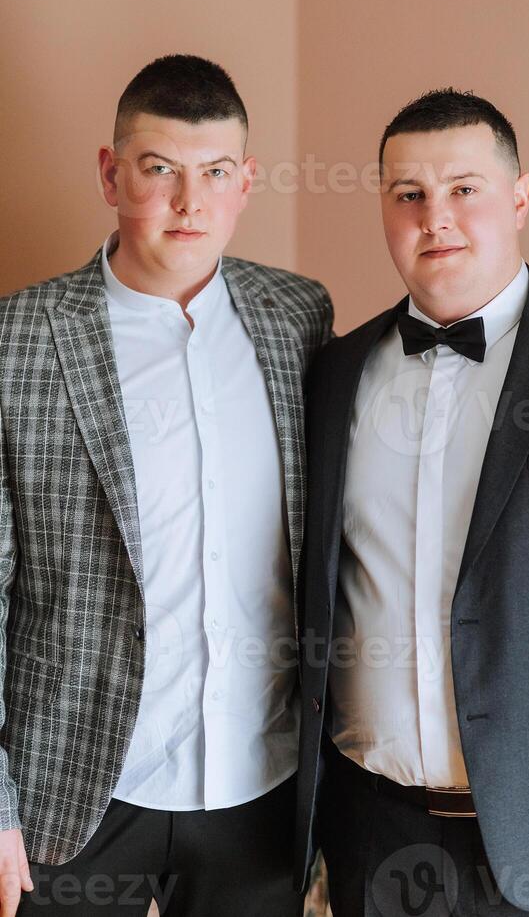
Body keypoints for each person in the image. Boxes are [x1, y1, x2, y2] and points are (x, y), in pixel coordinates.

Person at [295, 89, 529, 917]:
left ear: (521, 197)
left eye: (464, 189)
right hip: (371, 830)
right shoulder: (334, 373)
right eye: (408, 195)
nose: (436, 218)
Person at [0, 53, 333, 917]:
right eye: (160, 171)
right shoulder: (17, 339)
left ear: (246, 181)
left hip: (261, 786)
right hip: (73, 791)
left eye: (215, 173)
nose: (191, 203)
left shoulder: (299, 316)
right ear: (112, 175)